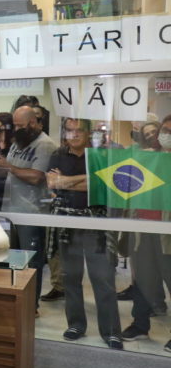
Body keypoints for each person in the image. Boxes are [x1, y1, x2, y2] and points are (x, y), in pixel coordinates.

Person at [46, 118, 123, 349]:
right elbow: (52, 183)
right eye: (70, 130)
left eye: (79, 130)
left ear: (88, 133)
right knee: (71, 277)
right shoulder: (58, 155)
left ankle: (111, 331)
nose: (74, 134)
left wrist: (66, 181)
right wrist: (82, 181)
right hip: (68, 223)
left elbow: (103, 184)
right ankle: (76, 325)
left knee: (103, 279)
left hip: (96, 223)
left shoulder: (100, 155)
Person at [0, 106, 58, 307]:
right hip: (11, 210)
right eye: (15, 125)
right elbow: (11, 171)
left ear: (33, 123)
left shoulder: (44, 144)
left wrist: (7, 167)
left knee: (30, 263)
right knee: (12, 260)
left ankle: (30, 306)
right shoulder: (18, 142)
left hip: (32, 213)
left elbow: (37, 177)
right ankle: (16, 301)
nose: (16, 129)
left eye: (20, 125)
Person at [122, 114, 171, 352]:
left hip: (167, 234)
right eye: (165, 130)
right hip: (142, 228)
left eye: (170, 132)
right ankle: (140, 324)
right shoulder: (148, 157)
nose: (165, 135)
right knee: (142, 280)